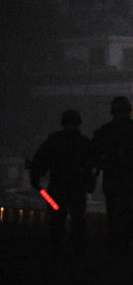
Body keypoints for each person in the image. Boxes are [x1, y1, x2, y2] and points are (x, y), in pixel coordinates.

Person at [30, 109, 95, 257]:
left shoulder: (54, 140)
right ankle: (78, 250)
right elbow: (90, 165)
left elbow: (40, 160)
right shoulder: (83, 142)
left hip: (57, 188)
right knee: (77, 218)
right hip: (77, 189)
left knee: (57, 218)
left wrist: (35, 178)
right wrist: (89, 183)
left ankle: (57, 250)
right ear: (78, 123)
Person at [91, 96, 133, 260]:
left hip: (117, 182)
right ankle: (123, 248)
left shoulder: (106, 131)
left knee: (116, 216)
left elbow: (94, 156)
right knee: (128, 217)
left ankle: (117, 249)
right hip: (129, 182)